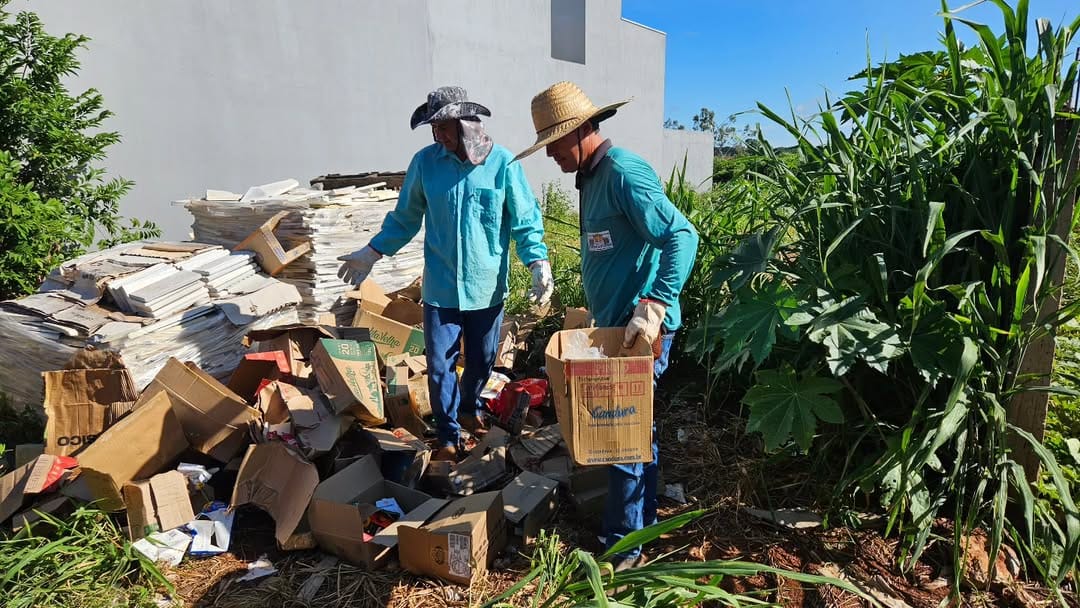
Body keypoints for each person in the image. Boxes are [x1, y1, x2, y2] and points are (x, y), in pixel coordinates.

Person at [516, 81, 699, 568]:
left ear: (577, 132)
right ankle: (643, 522)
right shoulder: (591, 178)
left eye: (553, 144)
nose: (551, 154)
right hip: (614, 329)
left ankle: (623, 547)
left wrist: (655, 304)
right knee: (638, 432)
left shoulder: (624, 173)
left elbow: (682, 235)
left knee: (621, 435)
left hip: (641, 333)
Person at [339, 86, 552, 461]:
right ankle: (448, 436)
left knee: (482, 361)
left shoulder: (502, 163)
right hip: (440, 289)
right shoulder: (425, 163)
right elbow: (405, 217)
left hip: (486, 289)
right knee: (439, 367)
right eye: (433, 128)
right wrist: (372, 252)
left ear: (466, 123)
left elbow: (524, 220)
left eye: (444, 127)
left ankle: (469, 407)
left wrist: (537, 261)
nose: (438, 135)